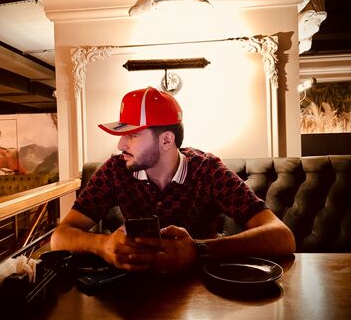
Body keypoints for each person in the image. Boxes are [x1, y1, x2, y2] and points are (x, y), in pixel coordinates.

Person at [51, 87, 295, 273]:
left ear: (167, 140)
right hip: (135, 293)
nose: (120, 144)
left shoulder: (207, 171)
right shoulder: (116, 170)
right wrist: (102, 245)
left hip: (201, 292)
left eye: (132, 135)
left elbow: (282, 237)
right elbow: (60, 236)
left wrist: (199, 250)